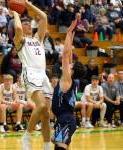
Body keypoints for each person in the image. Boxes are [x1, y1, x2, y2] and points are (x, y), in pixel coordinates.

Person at [12, 1, 53, 149]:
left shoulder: (38, 39)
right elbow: (17, 27)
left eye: (29, 24)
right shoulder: (20, 40)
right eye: (26, 24)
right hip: (30, 73)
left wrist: (28, 4)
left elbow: (43, 17)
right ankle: (27, 135)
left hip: (43, 75)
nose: (29, 25)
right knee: (41, 105)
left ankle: (47, 145)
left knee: (46, 114)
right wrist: (16, 12)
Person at [51, 20, 77, 150]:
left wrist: (67, 33)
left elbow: (66, 56)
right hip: (64, 118)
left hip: (65, 119)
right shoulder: (69, 80)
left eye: (70, 66)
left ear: (71, 71)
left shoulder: (67, 79)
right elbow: (69, 57)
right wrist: (71, 38)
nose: (68, 64)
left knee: (60, 148)